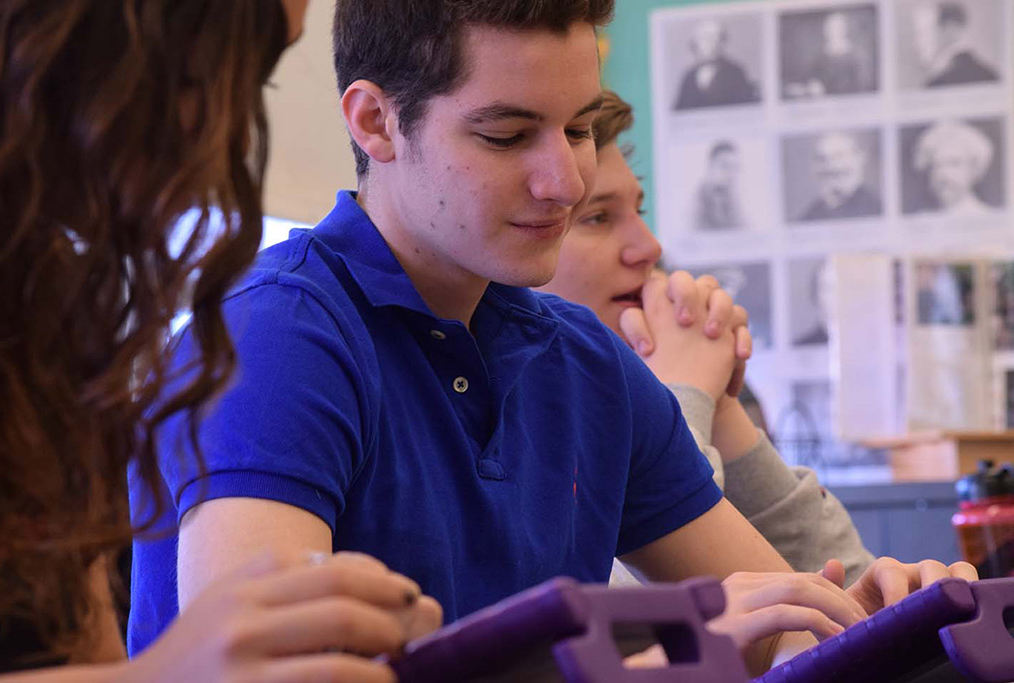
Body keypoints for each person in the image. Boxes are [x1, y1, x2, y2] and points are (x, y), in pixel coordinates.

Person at [129, 0, 976, 676]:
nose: (564, 180)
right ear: (376, 123)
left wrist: (892, 621)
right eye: (506, 136)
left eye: (577, 128)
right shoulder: (278, 338)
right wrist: (665, 658)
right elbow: (256, 674)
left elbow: (771, 627)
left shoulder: (585, 360)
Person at [0, 1, 439, 680]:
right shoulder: (292, 319)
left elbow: (78, 656)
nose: (232, 137)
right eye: (213, 65)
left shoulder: (47, 308)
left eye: (259, 79)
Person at [538, 91, 872, 586]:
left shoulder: (635, 373)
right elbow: (655, 600)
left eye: (638, 209)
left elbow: (837, 580)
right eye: (599, 218)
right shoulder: (516, 410)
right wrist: (685, 393)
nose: (649, 247)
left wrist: (717, 402)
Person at [912, 120, 995, 215]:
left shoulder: (988, 216)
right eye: (936, 165)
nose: (943, 174)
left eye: (953, 163)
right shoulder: (920, 220)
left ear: (974, 169)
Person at [674, 19, 759, 110]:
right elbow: (678, 109)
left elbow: (745, 107)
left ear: (722, 42)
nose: (710, 43)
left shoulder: (736, 71)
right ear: (696, 43)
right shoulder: (688, 75)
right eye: (704, 38)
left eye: (714, 38)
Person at [799, 131, 882, 222]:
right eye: (821, 159)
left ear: (860, 158)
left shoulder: (876, 210)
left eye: (839, 156)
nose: (830, 166)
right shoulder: (810, 215)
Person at [913, 1, 998, 88]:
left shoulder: (937, 84)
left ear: (950, 29)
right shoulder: (990, 75)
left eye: (925, 32)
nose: (916, 43)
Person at [786, 11, 867, 99]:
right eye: (828, 27)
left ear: (844, 30)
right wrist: (804, 88)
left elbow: (855, 88)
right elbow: (813, 78)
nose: (831, 31)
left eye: (836, 28)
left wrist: (823, 90)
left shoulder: (853, 57)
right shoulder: (821, 55)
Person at [694, 141, 746, 230]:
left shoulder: (734, 200)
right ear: (710, 166)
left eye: (734, 167)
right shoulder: (695, 203)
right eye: (725, 166)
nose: (731, 173)